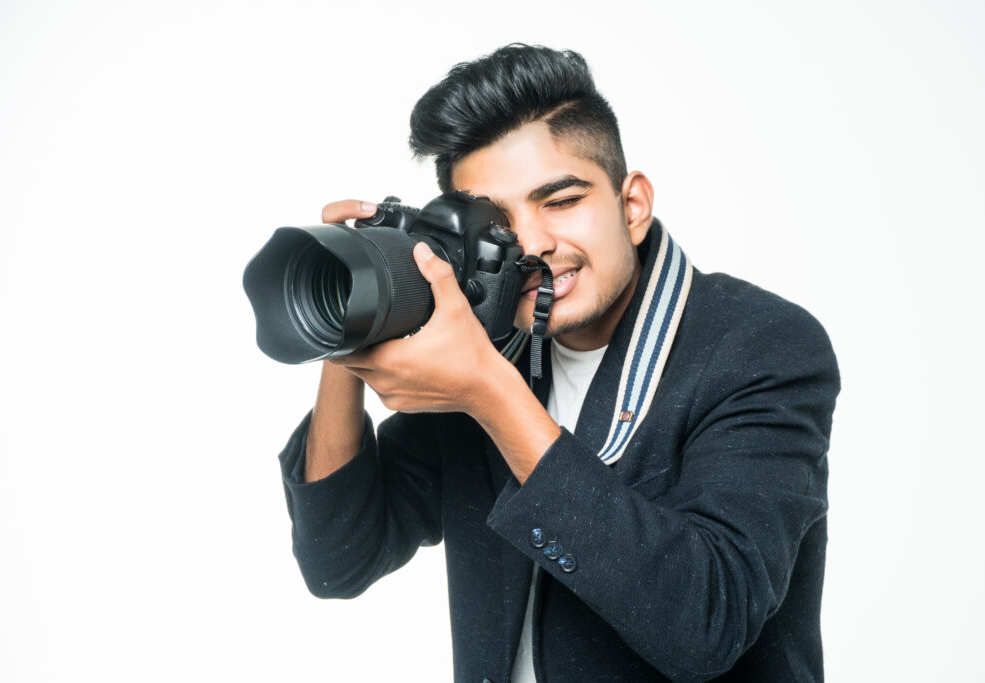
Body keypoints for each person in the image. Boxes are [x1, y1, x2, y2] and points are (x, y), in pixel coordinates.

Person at [277, 44, 840, 682]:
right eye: (498, 222)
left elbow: (705, 623)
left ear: (632, 206)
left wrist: (490, 394)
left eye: (561, 200)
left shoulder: (759, 345)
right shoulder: (492, 351)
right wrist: (355, 311)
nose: (535, 244)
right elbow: (338, 559)